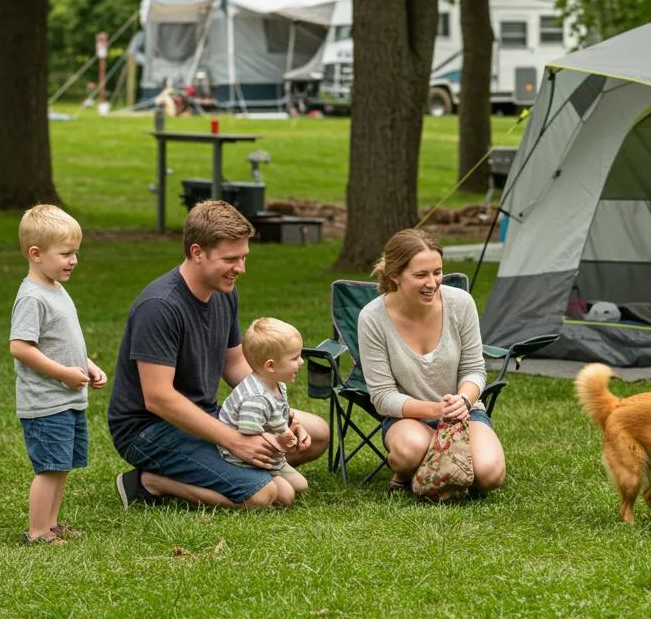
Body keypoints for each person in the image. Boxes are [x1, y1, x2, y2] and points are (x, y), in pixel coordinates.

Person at [108, 200, 329, 509]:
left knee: (317, 433)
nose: (241, 269)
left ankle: (227, 468)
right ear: (197, 252)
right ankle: (150, 483)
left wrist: (281, 416)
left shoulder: (223, 292)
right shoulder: (159, 307)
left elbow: (235, 364)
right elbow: (159, 398)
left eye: (243, 257)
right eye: (231, 259)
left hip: (207, 414)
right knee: (265, 496)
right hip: (149, 431)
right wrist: (234, 441)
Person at [357, 228, 505, 496]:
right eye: (421, 275)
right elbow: (381, 396)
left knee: (490, 475)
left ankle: (438, 473)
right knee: (410, 452)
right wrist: (435, 410)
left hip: (463, 410)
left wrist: (462, 402)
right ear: (394, 276)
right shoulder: (372, 318)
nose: (432, 283)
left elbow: (474, 369)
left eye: (437, 272)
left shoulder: (461, 304)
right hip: (408, 417)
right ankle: (408, 471)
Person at [9, 205, 108, 545]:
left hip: (68, 398)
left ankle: (51, 525)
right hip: (46, 402)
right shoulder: (32, 298)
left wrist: (87, 365)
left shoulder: (55, 289)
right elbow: (21, 347)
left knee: (61, 465)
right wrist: (64, 374)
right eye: (65, 253)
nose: (74, 260)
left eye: (75, 252)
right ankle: (37, 532)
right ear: (35, 254)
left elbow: (62, 342)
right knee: (49, 468)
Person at [217, 317, 311, 507]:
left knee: (301, 485)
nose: (301, 361)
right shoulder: (255, 399)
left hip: (269, 451)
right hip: (245, 460)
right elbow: (249, 441)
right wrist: (280, 442)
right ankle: (259, 478)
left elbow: (279, 416)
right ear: (270, 366)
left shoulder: (277, 385)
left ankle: (272, 474)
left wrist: (296, 426)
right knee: (287, 494)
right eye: (294, 358)